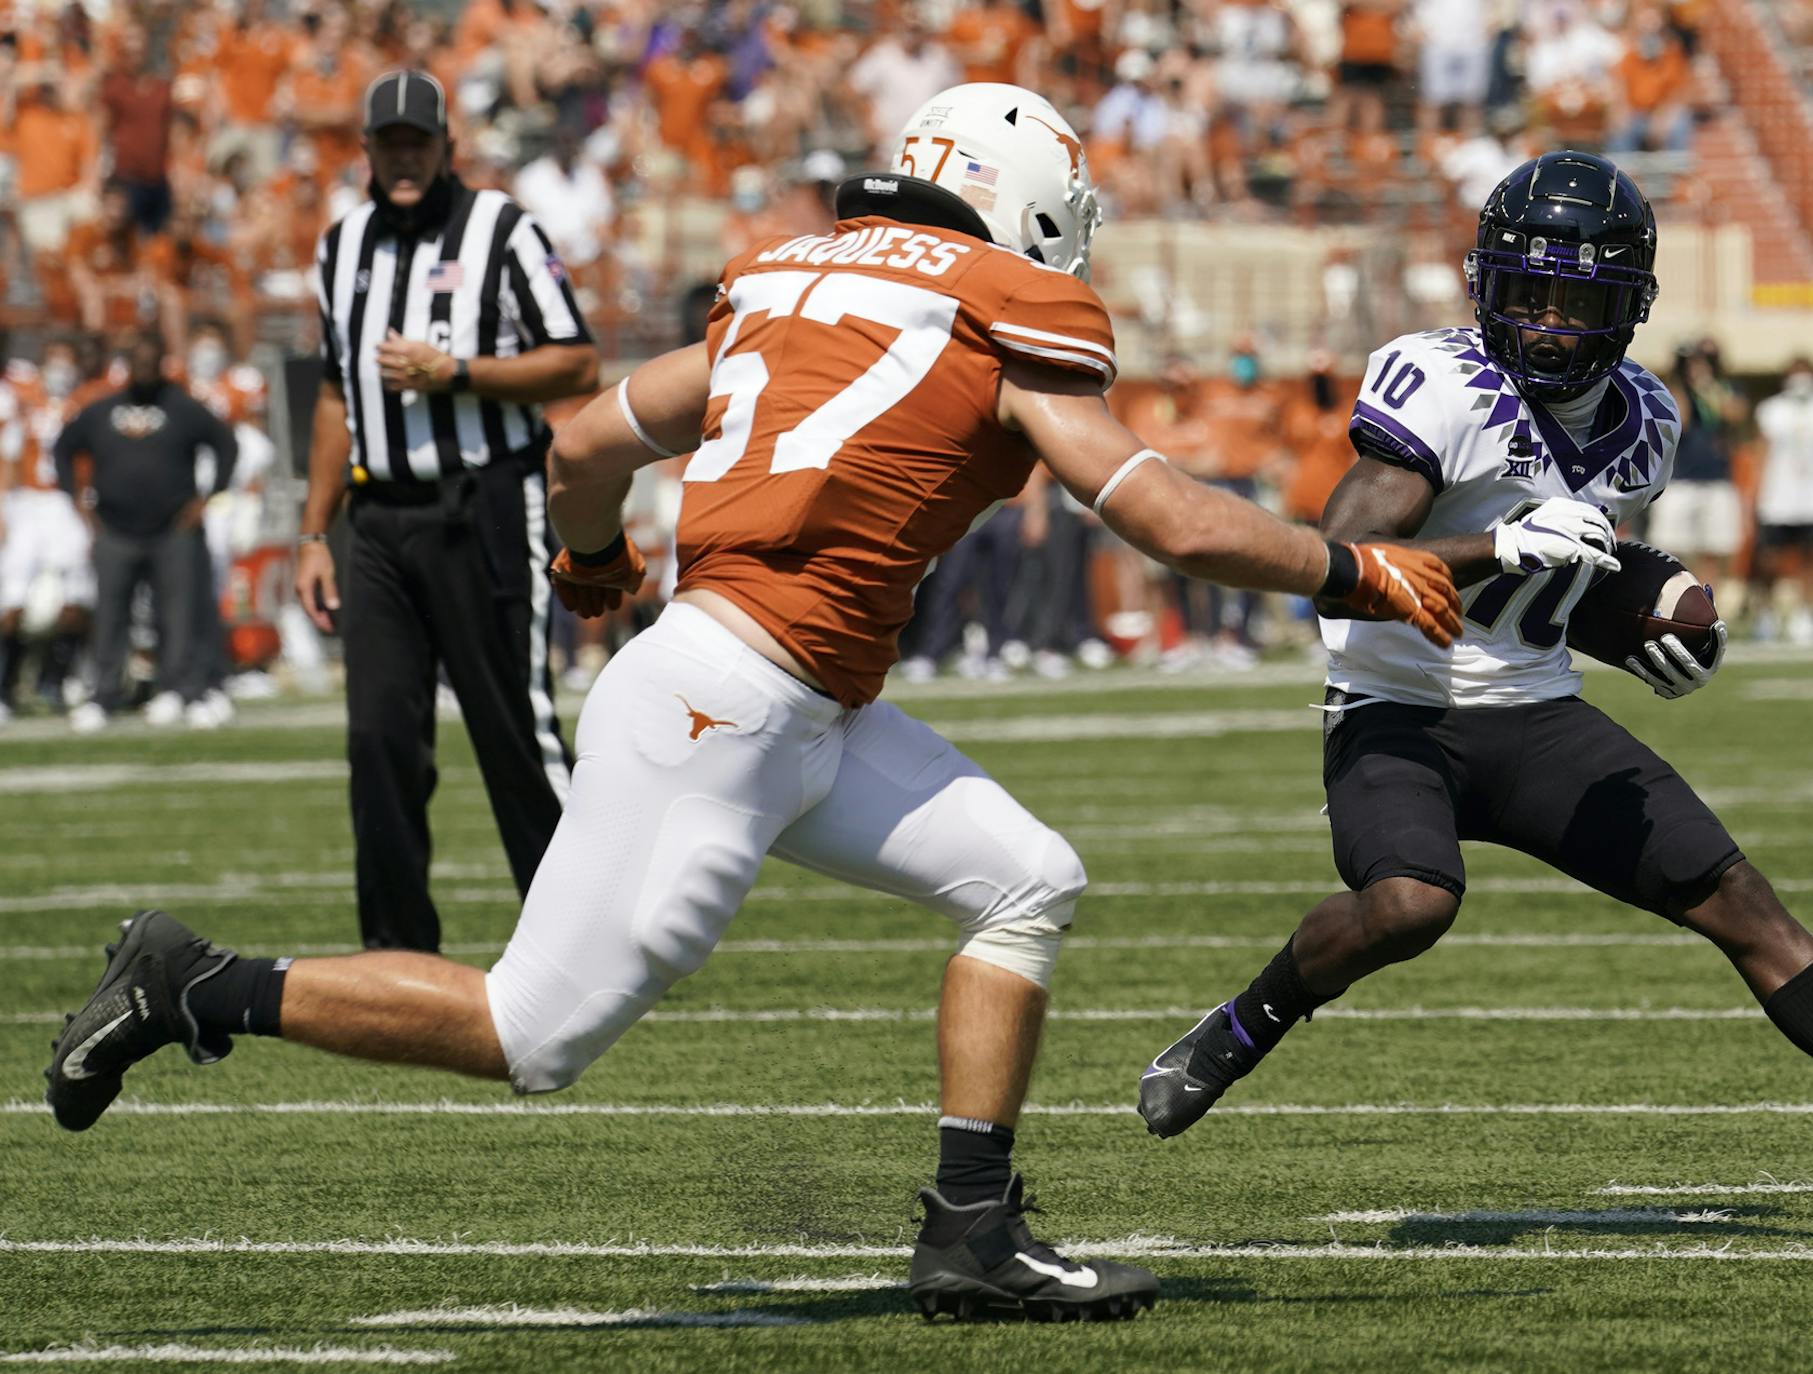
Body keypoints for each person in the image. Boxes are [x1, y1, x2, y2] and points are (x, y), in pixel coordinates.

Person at [44, 82, 1462, 1325]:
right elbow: (1169, 519)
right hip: (729, 702)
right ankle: (194, 980)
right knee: (532, 1034)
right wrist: (1354, 566)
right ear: (1013, 196)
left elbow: (585, 438)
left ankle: (973, 1228)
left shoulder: (789, 278)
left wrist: (593, 554)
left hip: (792, 700)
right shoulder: (1003, 299)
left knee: (1026, 876)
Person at [1134, 152, 1813, 1229]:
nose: (1554, 322)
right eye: (1533, 292)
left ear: (1631, 308)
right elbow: (1333, 559)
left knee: (1740, 901)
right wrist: (1497, 540)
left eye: (1581, 298)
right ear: (1489, 288)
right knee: (1411, 903)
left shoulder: (1648, 422)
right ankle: (1243, 1025)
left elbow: (1571, 588)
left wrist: (1650, 633)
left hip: (1534, 711)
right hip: (1397, 709)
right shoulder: (1445, 385)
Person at [296, 70, 601, 952]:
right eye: (386, 143)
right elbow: (331, 396)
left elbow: (576, 363)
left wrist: (455, 372)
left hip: (485, 505)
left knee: (514, 727)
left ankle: (584, 935)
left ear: (444, 148)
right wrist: (315, 531)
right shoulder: (341, 244)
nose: (402, 158)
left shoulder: (501, 228)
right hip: (378, 523)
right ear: (366, 149)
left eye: (417, 143)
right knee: (379, 737)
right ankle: (397, 952)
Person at [52, 331, 236, 731]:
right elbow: (64, 447)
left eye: (153, 363)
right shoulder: (101, 410)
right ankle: (103, 696)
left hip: (173, 529)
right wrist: (77, 498)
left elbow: (226, 444)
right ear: (127, 366)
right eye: (139, 362)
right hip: (115, 529)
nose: (145, 370)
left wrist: (208, 498)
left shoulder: (184, 408)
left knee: (179, 616)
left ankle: (184, 691)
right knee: (110, 616)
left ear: (163, 365)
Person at [0, 337, 95, 721]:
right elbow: (7, 455)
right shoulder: (21, 401)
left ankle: (58, 678)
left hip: (67, 504)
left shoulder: (86, 404)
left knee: (78, 597)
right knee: (11, 599)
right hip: (27, 502)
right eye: (53, 360)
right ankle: (6, 686)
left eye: (66, 360)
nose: (59, 368)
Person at [1749, 357, 1813, 644]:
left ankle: (1805, 614)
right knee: (1769, 560)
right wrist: (1754, 494)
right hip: (1777, 497)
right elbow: (1760, 453)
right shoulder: (1771, 410)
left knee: (1812, 559)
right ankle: (1766, 614)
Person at [1647, 339, 1743, 604]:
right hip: (1680, 481)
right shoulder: (1676, 391)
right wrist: (1682, 381)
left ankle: (1708, 606)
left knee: (1713, 548)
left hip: (1717, 481)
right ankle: (1672, 603)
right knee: (1671, 548)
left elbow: (1734, 413)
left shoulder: (1724, 388)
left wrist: (1708, 388)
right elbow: (1682, 421)